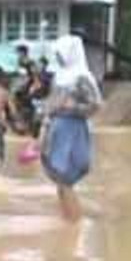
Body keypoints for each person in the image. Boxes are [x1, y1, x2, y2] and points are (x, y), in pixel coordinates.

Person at [39, 35, 103, 222]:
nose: (58, 57)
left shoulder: (82, 78)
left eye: (61, 54)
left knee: (66, 178)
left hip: (73, 130)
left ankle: (75, 223)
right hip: (56, 129)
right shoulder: (58, 77)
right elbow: (51, 103)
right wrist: (44, 126)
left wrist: (72, 107)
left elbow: (96, 105)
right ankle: (67, 218)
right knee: (59, 177)